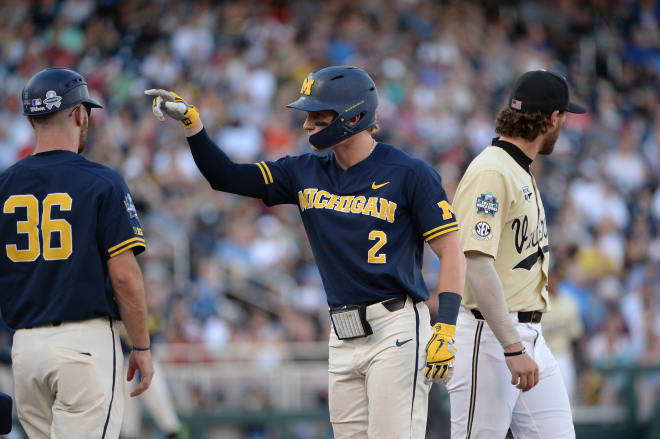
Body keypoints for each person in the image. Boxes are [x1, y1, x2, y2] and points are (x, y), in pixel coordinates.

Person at [145, 65, 466, 438]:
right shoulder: (304, 171)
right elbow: (226, 176)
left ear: (355, 116)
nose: (307, 124)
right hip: (341, 332)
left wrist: (445, 326)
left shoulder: (409, 172)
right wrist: (193, 125)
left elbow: (451, 251)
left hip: (394, 327)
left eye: (318, 114)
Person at [0, 67, 154, 439]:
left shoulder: (3, 184)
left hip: (24, 350)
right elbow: (124, 274)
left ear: (31, 118)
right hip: (84, 345)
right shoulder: (102, 181)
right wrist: (142, 346)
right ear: (80, 114)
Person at [448, 70, 585, 438]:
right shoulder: (492, 170)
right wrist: (511, 346)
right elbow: (475, 264)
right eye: (564, 117)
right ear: (552, 119)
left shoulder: (516, 168)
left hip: (530, 336)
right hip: (490, 334)